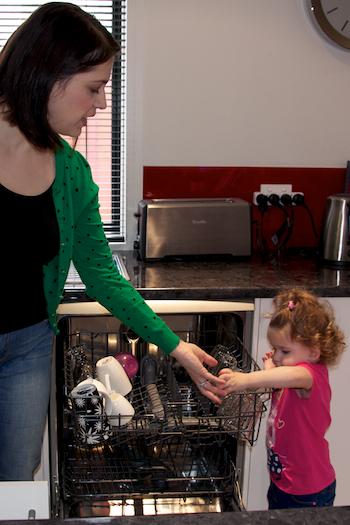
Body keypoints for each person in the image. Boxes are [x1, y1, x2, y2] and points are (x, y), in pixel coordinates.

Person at [0, 2, 225, 481]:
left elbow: (103, 275)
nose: (101, 104)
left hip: (28, 347)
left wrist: (174, 346)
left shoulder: (72, 172)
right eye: (95, 88)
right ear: (49, 73)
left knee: (16, 475)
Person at [218, 288, 345, 510]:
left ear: (314, 352)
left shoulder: (310, 375)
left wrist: (244, 380)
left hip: (309, 491)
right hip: (283, 483)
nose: (277, 356)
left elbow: (289, 376)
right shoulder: (292, 375)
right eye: (275, 349)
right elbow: (279, 382)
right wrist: (270, 369)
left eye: (284, 351)